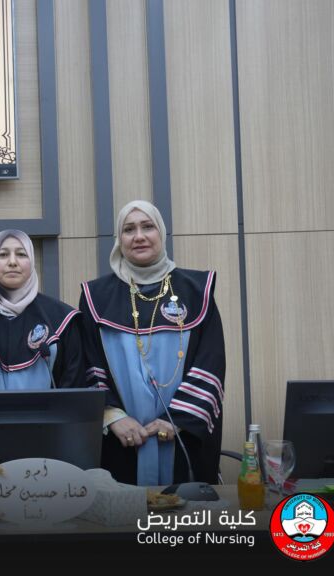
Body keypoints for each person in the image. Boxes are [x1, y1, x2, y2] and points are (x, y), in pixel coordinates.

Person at [79, 200, 224, 486]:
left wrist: (177, 420)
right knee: (122, 508)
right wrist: (112, 416)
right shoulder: (96, 297)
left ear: (162, 232)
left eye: (148, 227)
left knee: (184, 509)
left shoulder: (197, 290)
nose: (139, 236)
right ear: (119, 239)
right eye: (128, 229)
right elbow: (87, 364)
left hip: (182, 436)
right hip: (122, 440)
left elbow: (211, 362)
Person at [0, 230, 84, 391]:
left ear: (32, 261)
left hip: (54, 409)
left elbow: (74, 388)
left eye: (21, 254)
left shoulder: (62, 318)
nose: (12, 262)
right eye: (3, 255)